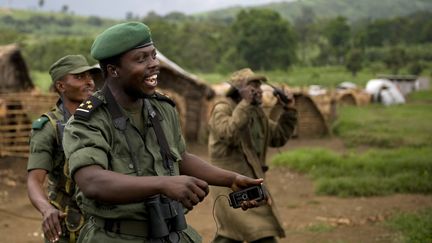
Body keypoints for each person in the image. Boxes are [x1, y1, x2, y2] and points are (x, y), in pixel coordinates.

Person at [62, 21, 264, 243]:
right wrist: (163, 183)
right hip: (117, 236)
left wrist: (231, 179)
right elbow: (92, 182)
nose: (154, 64)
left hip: (173, 234)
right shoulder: (88, 121)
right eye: (141, 59)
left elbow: (181, 158)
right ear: (113, 70)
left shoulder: (161, 108)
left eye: (153, 56)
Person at [208, 68, 298, 243]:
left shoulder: (257, 113)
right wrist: (245, 105)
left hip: (250, 181)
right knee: (256, 230)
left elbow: (278, 136)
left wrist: (289, 110)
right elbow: (229, 134)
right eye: (252, 86)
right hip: (228, 184)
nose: (258, 90)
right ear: (238, 90)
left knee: (233, 234)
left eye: (259, 85)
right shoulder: (222, 109)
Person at [27, 55, 100, 243]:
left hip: (104, 220)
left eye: (89, 76)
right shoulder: (48, 127)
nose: (89, 82)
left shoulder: (102, 119)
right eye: (79, 77)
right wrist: (47, 209)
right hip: (69, 226)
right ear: (61, 86)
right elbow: (34, 181)